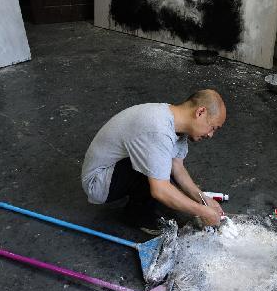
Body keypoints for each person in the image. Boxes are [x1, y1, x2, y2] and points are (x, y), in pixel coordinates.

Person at [81, 89, 226, 227]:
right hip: (97, 182)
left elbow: (177, 168)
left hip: (116, 169)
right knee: (159, 174)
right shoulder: (157, 130)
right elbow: (160, 190)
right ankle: (136, 217)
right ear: (200, 112)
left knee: (163, 167)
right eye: (212, 127)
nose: (210, 135)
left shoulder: (174, 121)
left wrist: (203, 199)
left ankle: (140, 198)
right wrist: (202, 211)